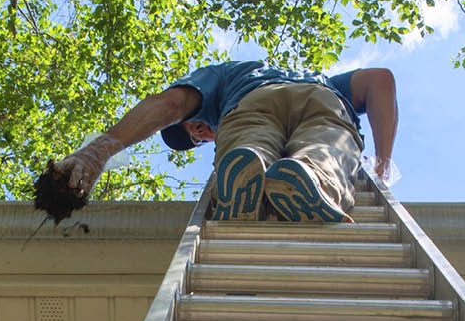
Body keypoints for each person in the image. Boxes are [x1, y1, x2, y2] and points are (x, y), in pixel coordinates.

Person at [54, 61, 397, 222]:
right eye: (198, 140)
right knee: (324, 149)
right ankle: (305, 178)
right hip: (323, 98)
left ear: (199, 112)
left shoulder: (224, 76)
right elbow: (380, 80)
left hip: (251, 102)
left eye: (194, 127)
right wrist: (381, 161)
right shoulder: (319, 78)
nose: (202, 134)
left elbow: (170, 104)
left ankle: (256, 183)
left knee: (248, 140)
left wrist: (100, 150)